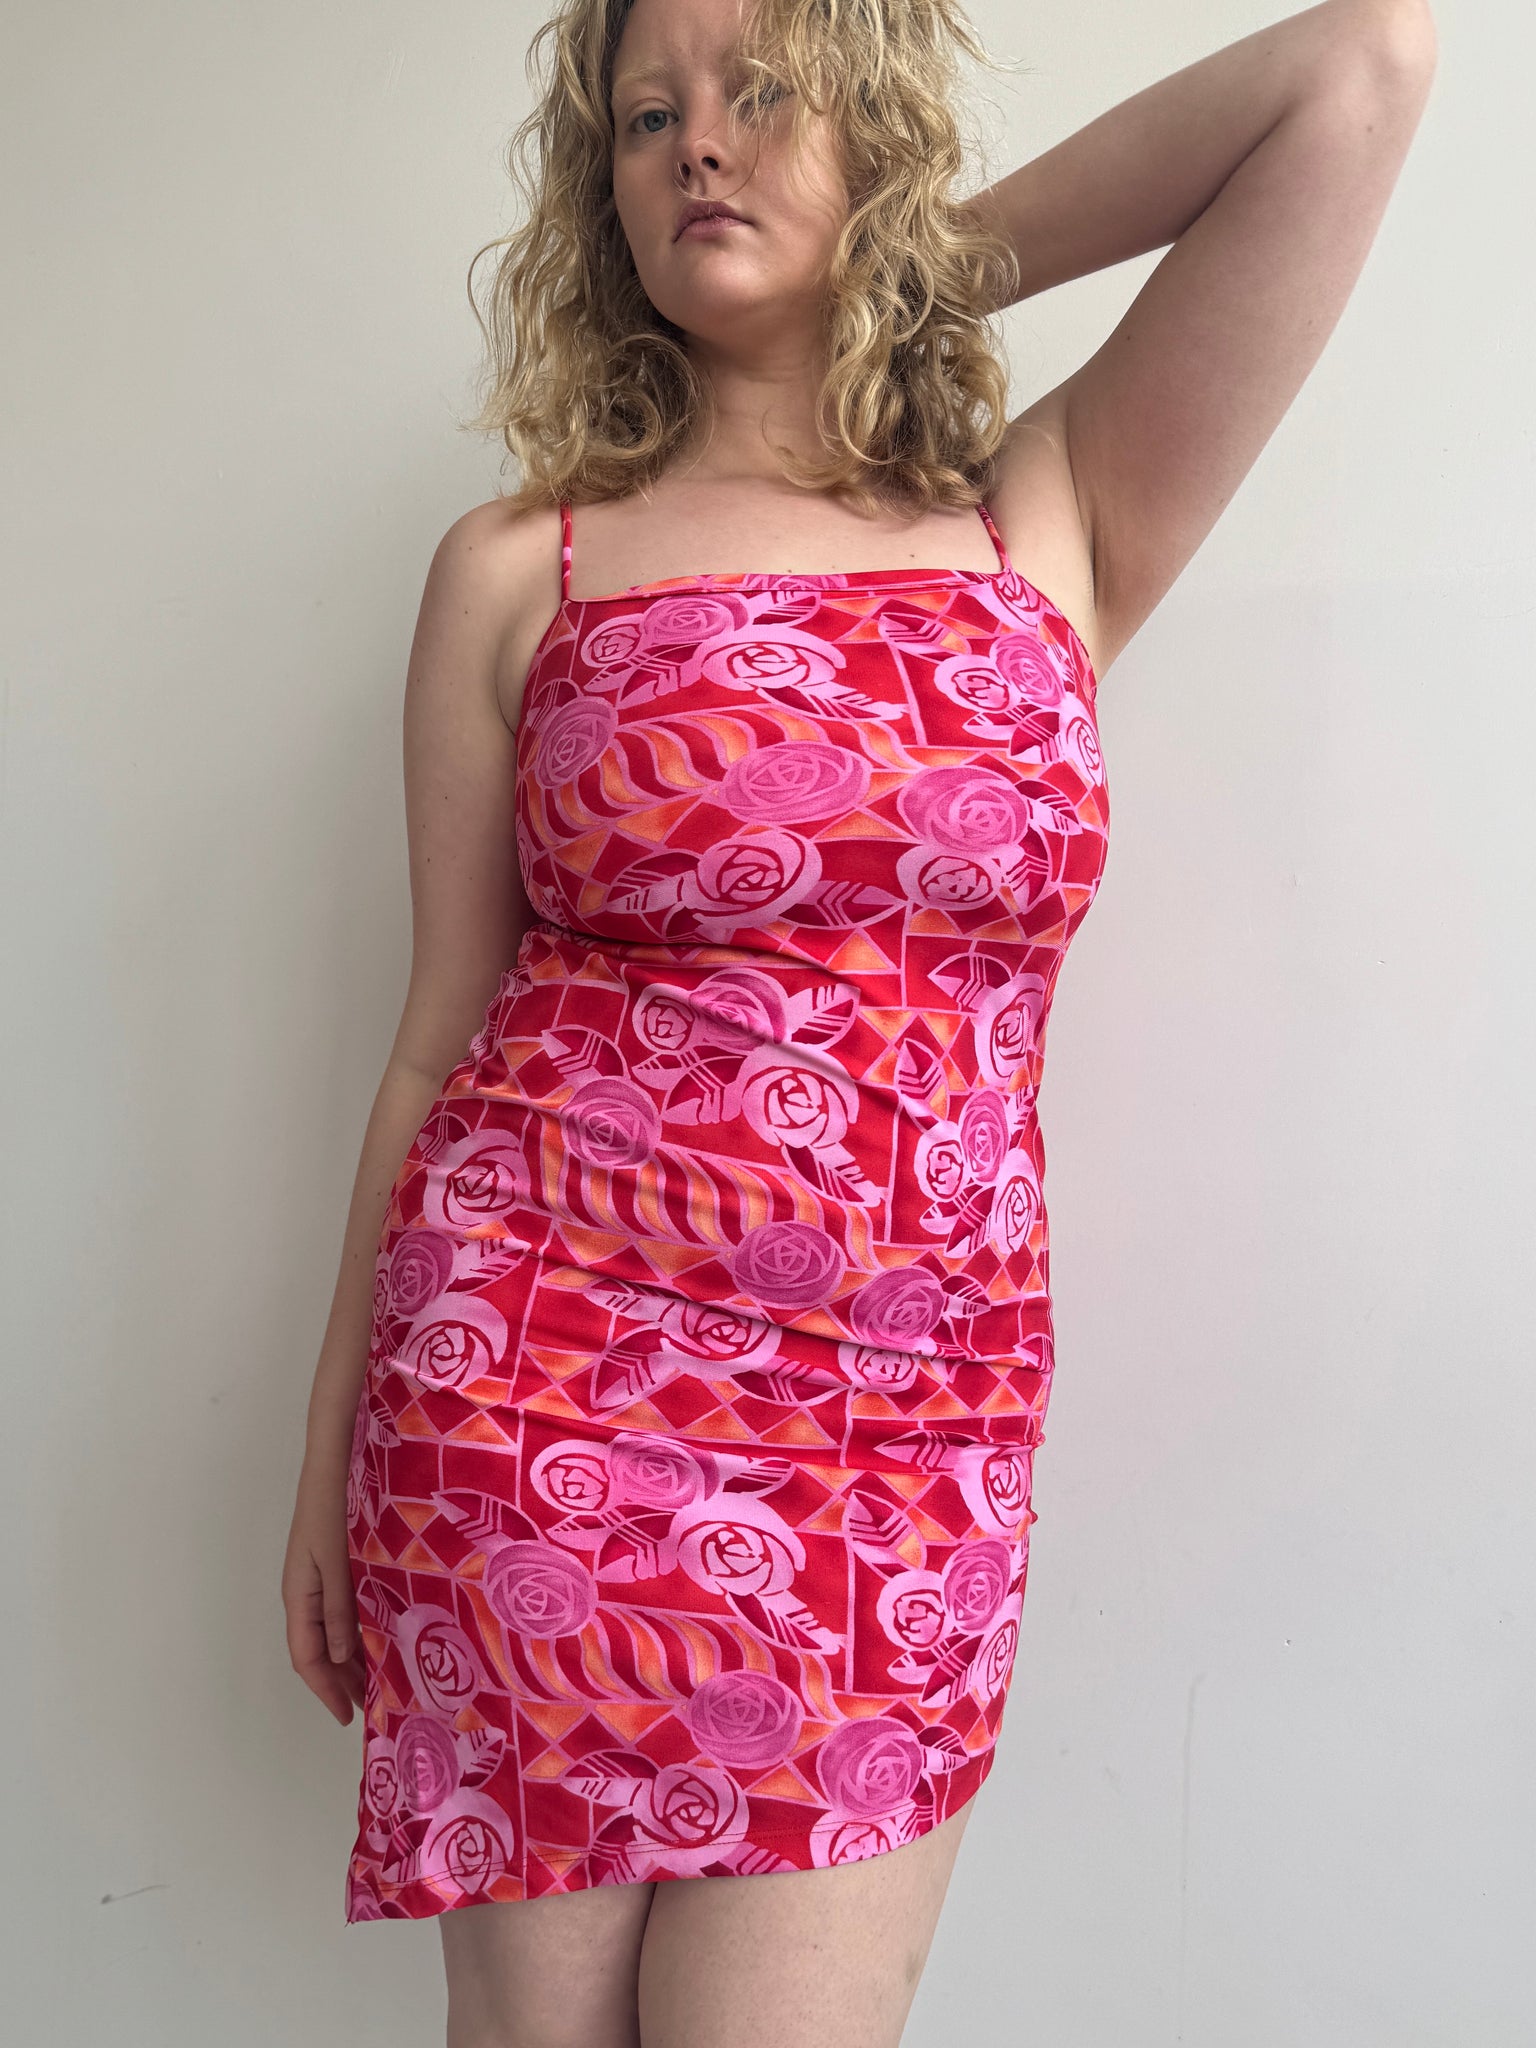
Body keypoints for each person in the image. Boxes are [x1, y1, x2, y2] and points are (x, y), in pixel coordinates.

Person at [282, 0, 1436, 2039]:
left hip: (904, 1435)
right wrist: (322, 1474)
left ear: (874, 130)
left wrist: (909, 271)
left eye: (762, 94)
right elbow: (431, 1041)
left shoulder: (1040, 513)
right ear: (600, 193)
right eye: (647, 117)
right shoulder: (520, 569)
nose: (696, 147)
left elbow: (1363, 70)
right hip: (535, 1392)